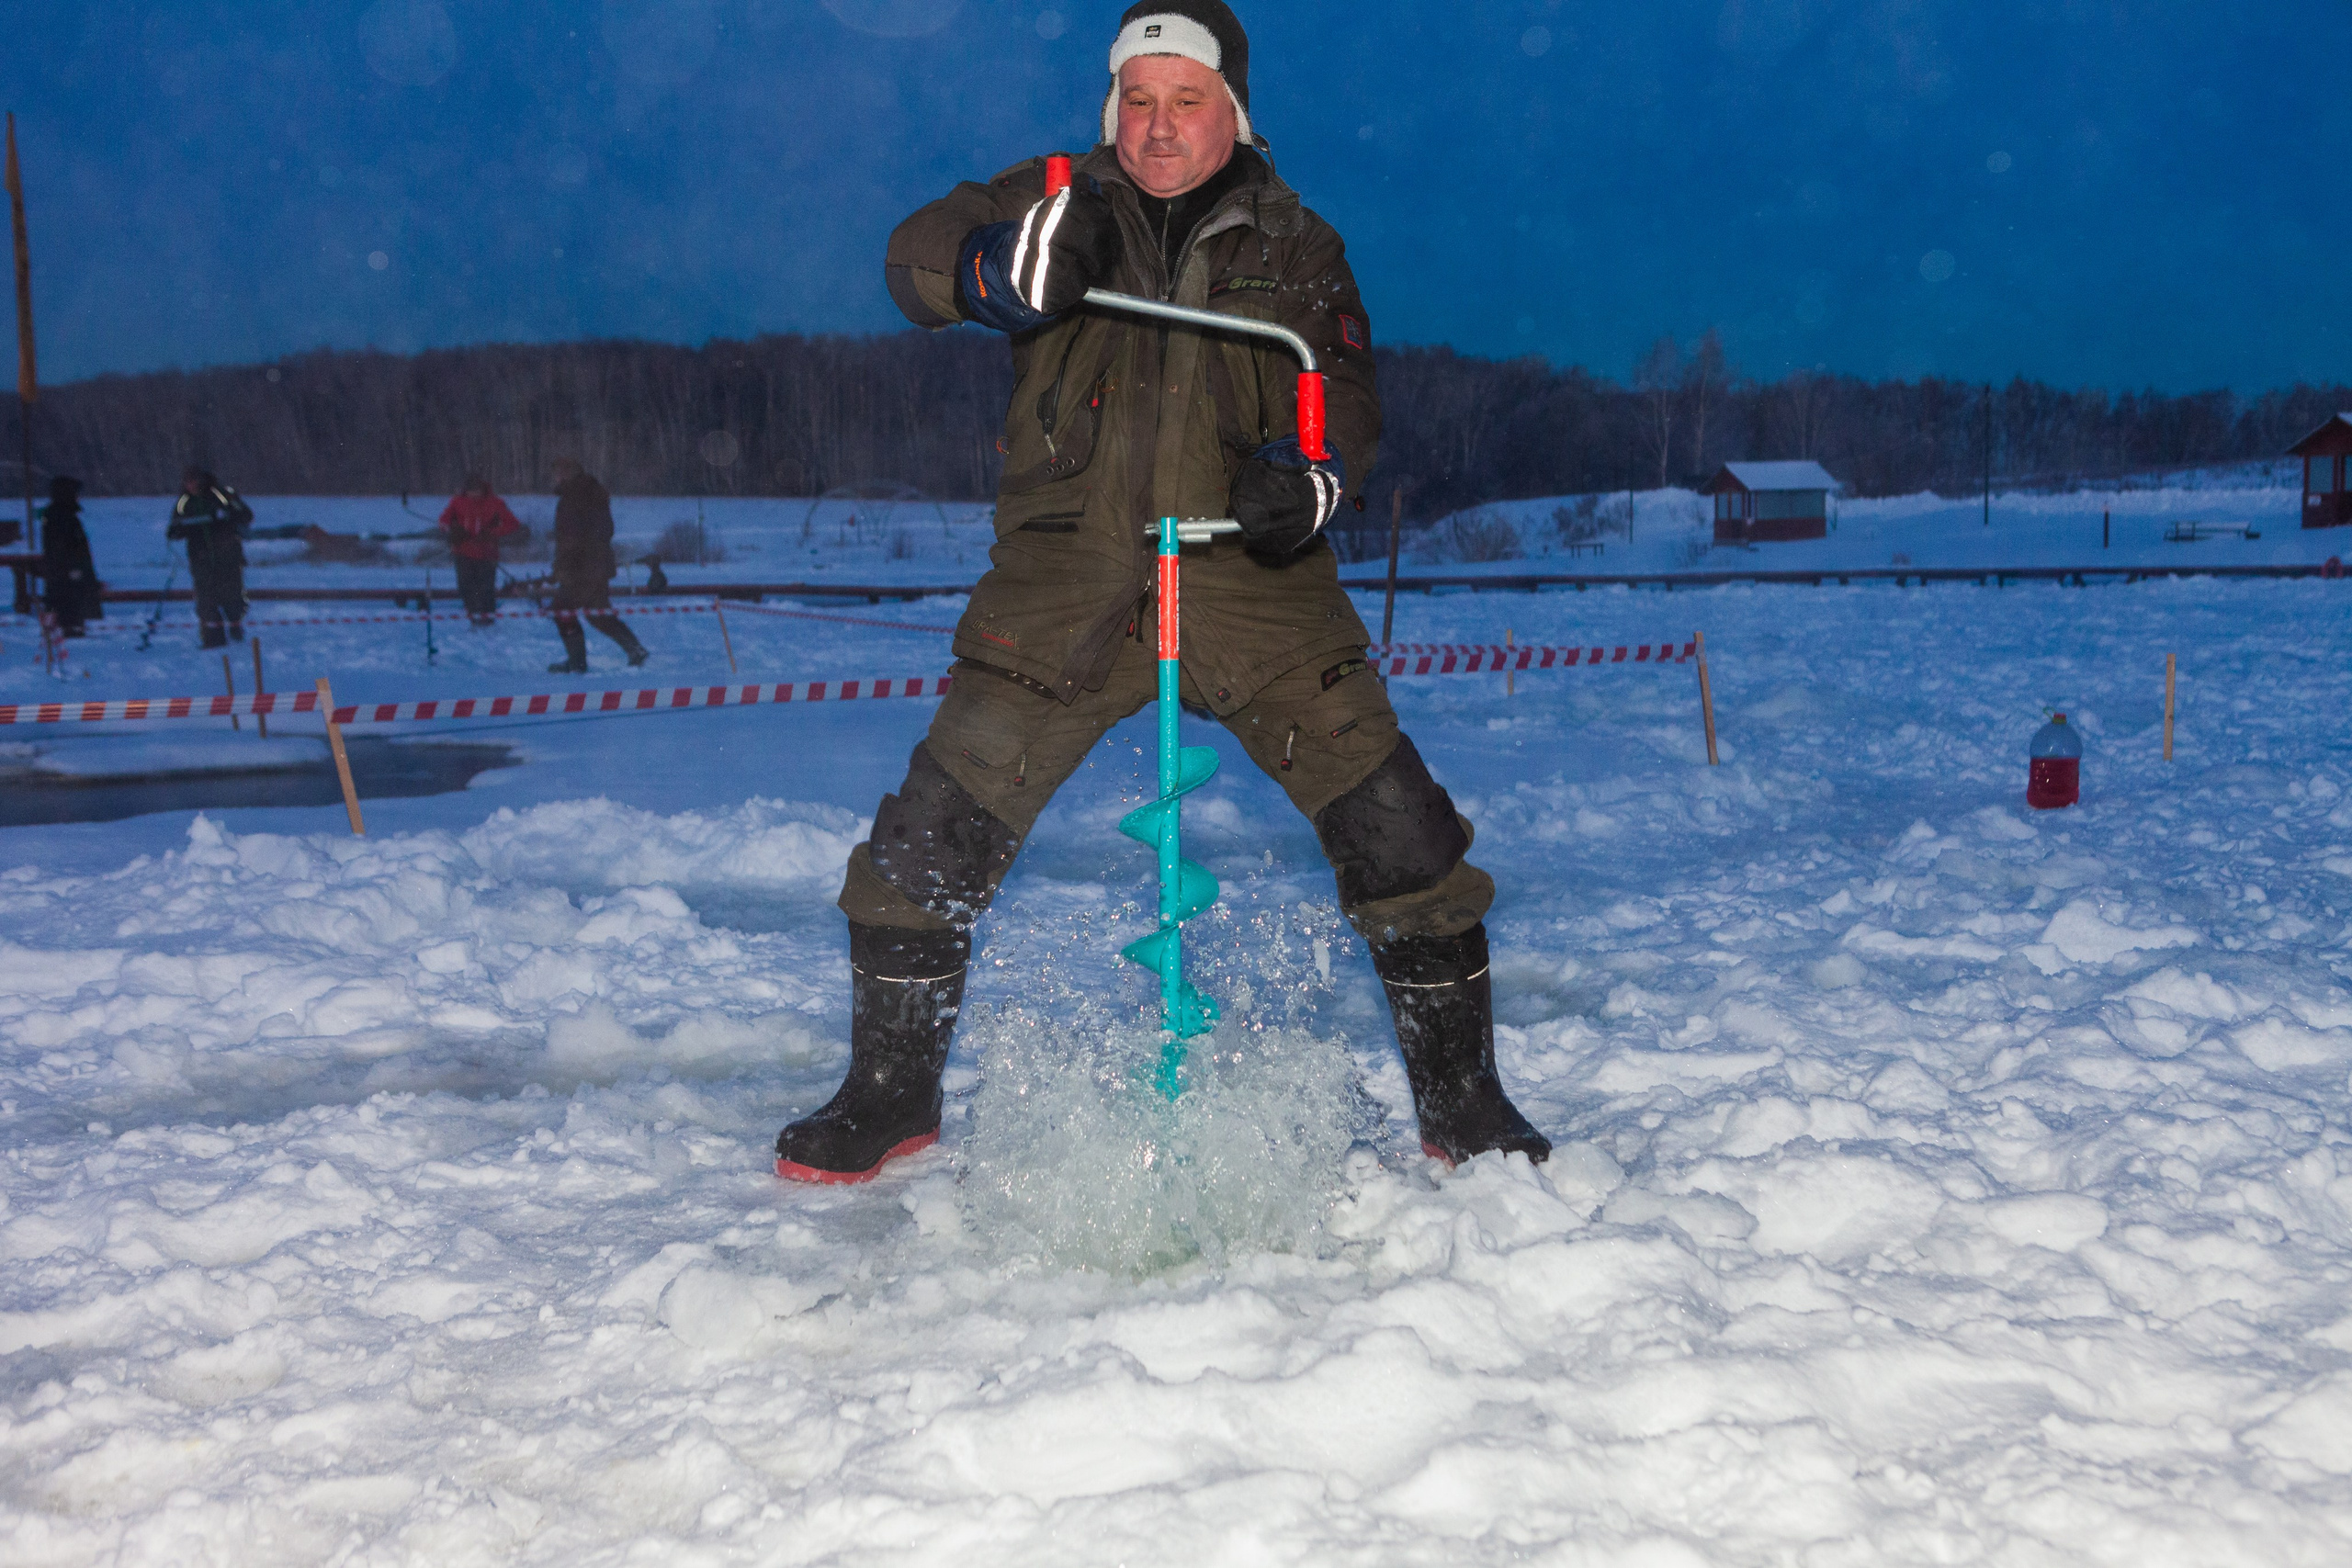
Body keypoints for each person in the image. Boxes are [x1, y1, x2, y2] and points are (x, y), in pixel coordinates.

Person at [775, 0, 1549, 1182]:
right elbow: (913, 257)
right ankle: (886, 1099)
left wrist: (1314, 476)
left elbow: (1342, 396)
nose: (1157, 125)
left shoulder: (1298, 243)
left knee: (1406, 837)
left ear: (1232, 109)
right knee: (921, 849)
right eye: (1136, 101)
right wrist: (988, 267)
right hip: (1064, 582)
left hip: (1255, 585)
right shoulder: (1051, 195)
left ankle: (1465, 1103)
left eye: (1187, 100)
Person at [546, 457, 649, 672]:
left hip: (580, 570)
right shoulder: (593, 494)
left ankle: (577, 662)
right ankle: (635, 649)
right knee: (597, 614)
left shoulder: (572, 498)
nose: (554, 478)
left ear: (564, 474)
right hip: (596, 567)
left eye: (556, 473)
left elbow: (571, 539)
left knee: (562, 610)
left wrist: (563, 567)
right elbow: (601, 531)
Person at [166, 466, 253, 647]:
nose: (191, 485)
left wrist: (225, 517)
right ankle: (213, 638)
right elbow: (173, 530)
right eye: (187, 482)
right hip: (201, 559)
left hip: (228, 556)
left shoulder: (222, 495)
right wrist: (185, 528)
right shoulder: (184, 502)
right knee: (206, 599)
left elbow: (246, 516)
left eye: (194, 481)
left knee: (232, 595)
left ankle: (236, 630)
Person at [437, 473, 522, 627]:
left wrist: (492, 533)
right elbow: (443, 522)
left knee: (486, 589)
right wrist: (454, 530)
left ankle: (488, 620)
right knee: (465, 586)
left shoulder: (495, 503)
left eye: (476, 490)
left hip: (487, 553)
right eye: (471, 491)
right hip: (463, 552)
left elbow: (513, 524)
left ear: (482, 489)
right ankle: (473, 617)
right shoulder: (457, 502)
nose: (474, 494)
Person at [39, 476, 103, 637]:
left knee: (72, 606)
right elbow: (60, 549)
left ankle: (72, 627)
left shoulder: (64, 515)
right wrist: (73, 569)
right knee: (69, 606)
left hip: (70, 574)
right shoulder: (60, 517)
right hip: (68, 576)